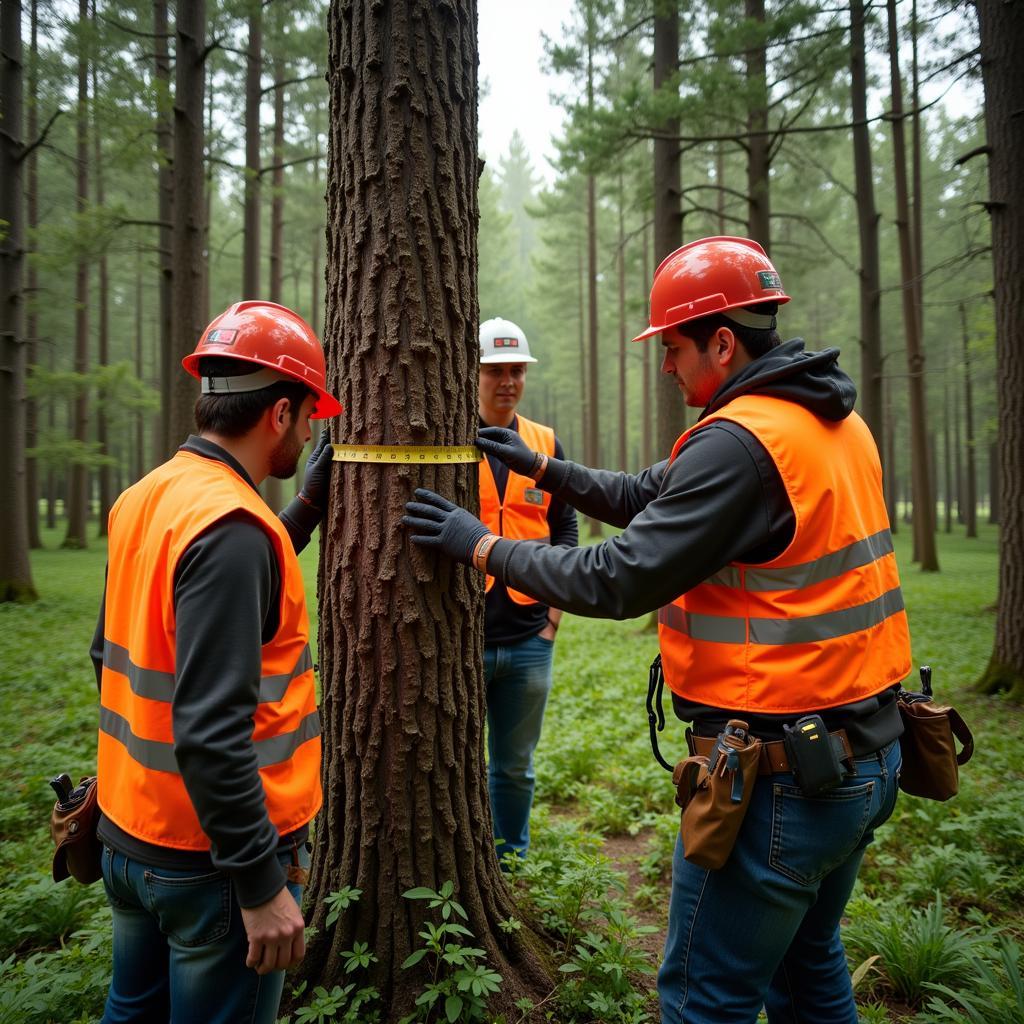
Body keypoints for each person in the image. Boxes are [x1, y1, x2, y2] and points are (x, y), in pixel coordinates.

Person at [403, 237, 911, 1024]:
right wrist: (545, 470)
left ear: (721, 341)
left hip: (783, 779)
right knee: (811, 972)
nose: (666, 367)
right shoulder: (827, 424)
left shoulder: (742, 444)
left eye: (672, 348)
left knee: (703, 998)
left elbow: (615, 579)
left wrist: (481, 545)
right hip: (866, 756)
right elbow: (653, 491)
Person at [90, 300, 341, 1024]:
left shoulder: (148, 498)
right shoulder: (233, 530)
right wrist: (261, 886)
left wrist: (302, 507)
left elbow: (115, 652)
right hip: (211, 866)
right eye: (310, 417)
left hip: (130, 838)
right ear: (280, 414)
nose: (311, 432)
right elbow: (208, 730)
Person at [476, 318, 578, 860]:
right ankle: (469, 857)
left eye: (516, 370)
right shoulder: (450, 442)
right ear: (473, 373)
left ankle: (510, 860)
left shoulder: (543, 443)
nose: (507, 381)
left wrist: (553, 620)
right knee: (454, 768)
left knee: (514, 767)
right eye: (495, 370)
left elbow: (565, 530)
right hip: (460, 642)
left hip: (528, 640)